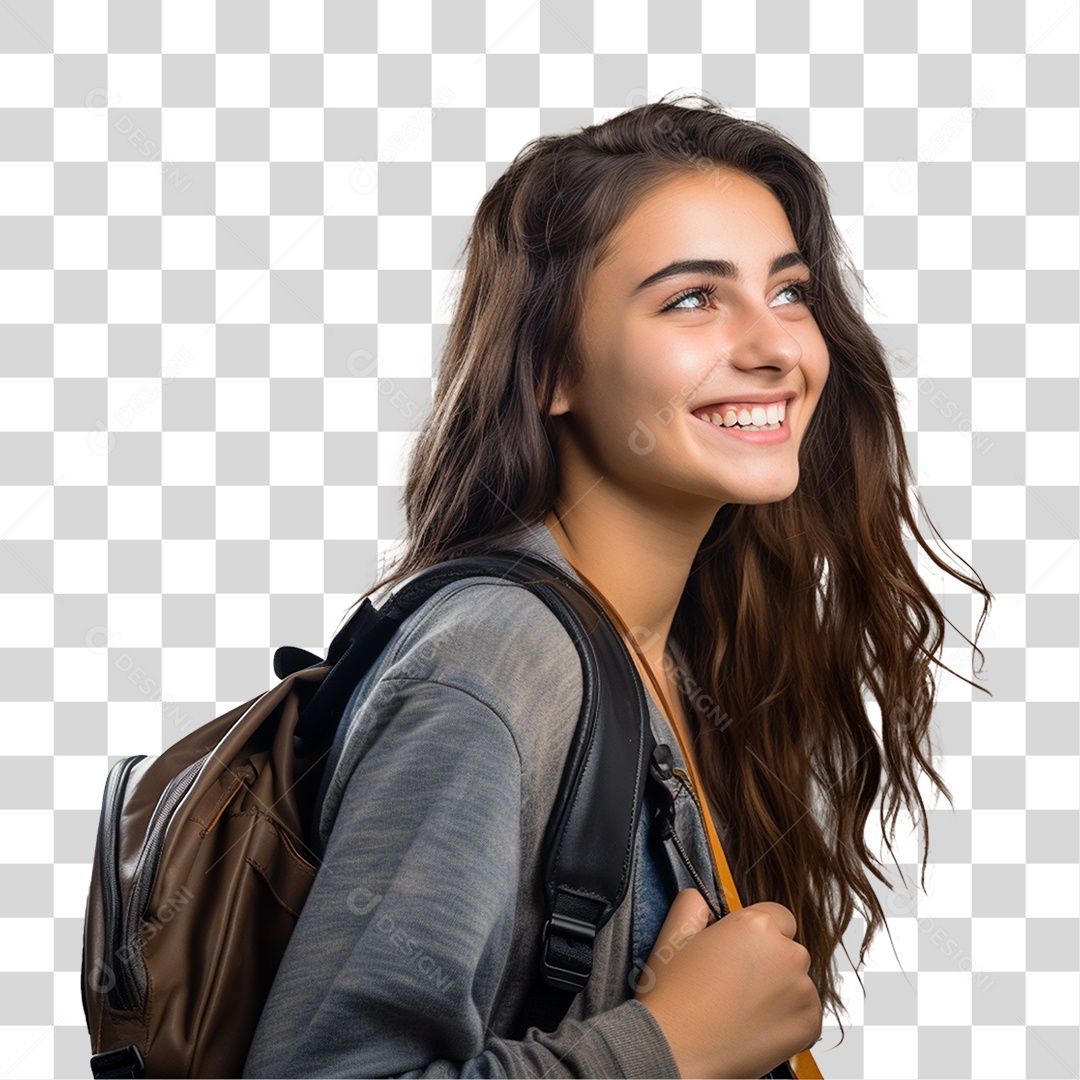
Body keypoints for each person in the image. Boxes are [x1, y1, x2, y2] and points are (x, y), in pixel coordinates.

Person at [241, 91, 993, 1079]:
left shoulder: (678, 655)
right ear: (552, 363)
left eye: (789, 291)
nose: (775, 349)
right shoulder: (498, 663)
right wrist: (671, 1045)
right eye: (692, 298)